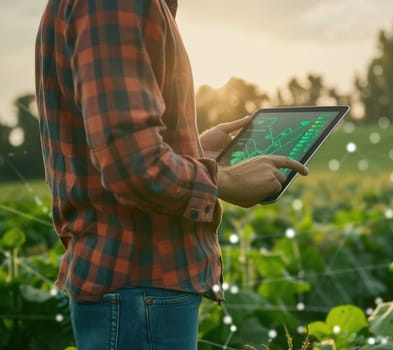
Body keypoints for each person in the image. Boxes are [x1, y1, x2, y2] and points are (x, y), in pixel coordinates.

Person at [34, 0, 308, 349]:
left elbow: (116, 145)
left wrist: (194, 150)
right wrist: (229, 181)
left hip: (137, 290)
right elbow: (133, 164)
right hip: (140, 286)